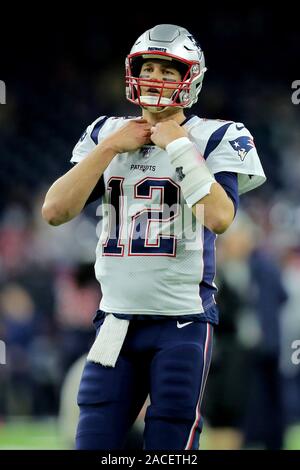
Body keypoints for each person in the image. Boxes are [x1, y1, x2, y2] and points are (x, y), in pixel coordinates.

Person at [42, 24, 266, 450]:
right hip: (115, 321)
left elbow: (219, 217)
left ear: (190, 79)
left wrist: (178, 146)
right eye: (149, 67)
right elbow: (55, 210)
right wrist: (109, 148)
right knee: (92, 443)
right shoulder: (105, 132)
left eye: (168, 70)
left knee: (170, 448)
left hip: (180, 322)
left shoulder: (216, 135)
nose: (156, 79)